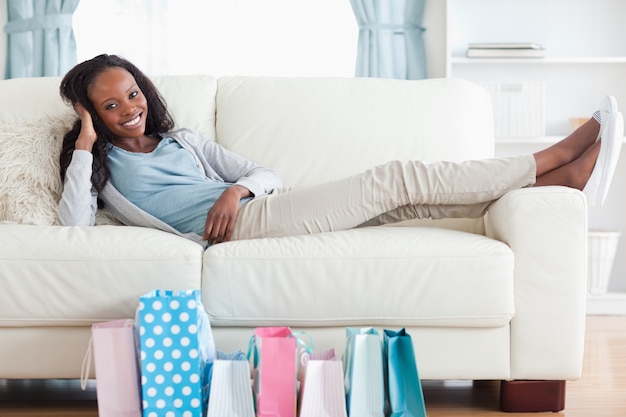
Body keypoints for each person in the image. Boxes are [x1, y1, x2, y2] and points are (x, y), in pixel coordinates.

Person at [57, 54, 623, 248]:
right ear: (92, 116)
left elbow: (265, 172)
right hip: (240, 233)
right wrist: (84, 145)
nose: (128, 107)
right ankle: (553, 157)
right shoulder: (103, 170)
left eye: (131, 92)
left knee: (405, 205)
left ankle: (560, 179)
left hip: (261, 208)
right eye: (108, 106)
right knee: (395, 179)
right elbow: (75, 227)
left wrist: (237, 188)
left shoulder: (184, 141)